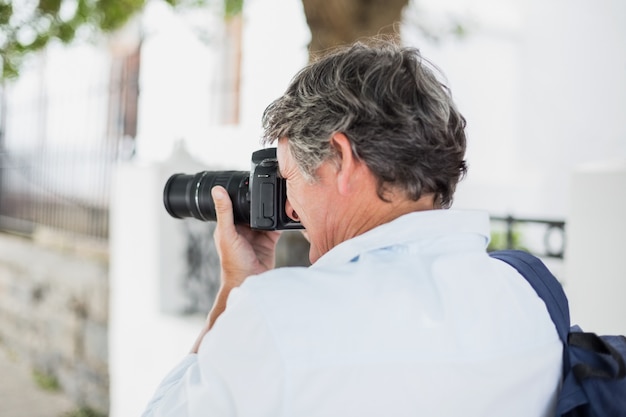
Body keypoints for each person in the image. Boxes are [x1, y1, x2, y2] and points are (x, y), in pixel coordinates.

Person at [142, 40, 562, 417]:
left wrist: (237, 287)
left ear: (341, 159)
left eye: (288, 178)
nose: (287, 206)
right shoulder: (528, 296)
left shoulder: (279, 320)